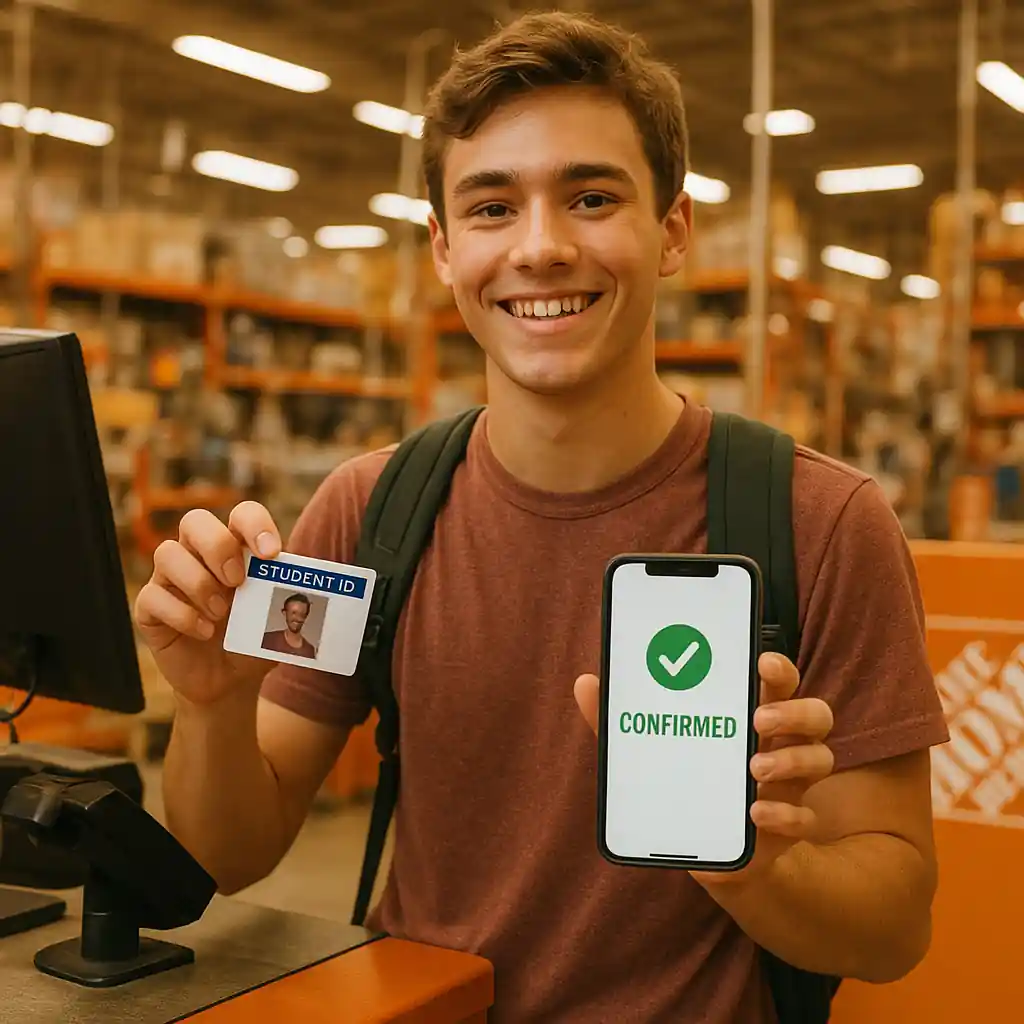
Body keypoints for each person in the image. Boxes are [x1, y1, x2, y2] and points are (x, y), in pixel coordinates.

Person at [134, 11, 949, 1022]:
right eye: (489, 208)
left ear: (672, 230)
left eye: (592, 196)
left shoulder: (817, 521)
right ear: (440, 249)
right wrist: (215, 704)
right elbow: (227, 856)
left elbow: (894, 929)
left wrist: (748, 864)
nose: (542, 247)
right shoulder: (371, 509)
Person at [261, 593, 317, 659]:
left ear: (306, 617)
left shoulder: (309, 650)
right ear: (284, 613)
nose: (297, 618)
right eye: (293, 613)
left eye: (302, 614)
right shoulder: (268, 639)